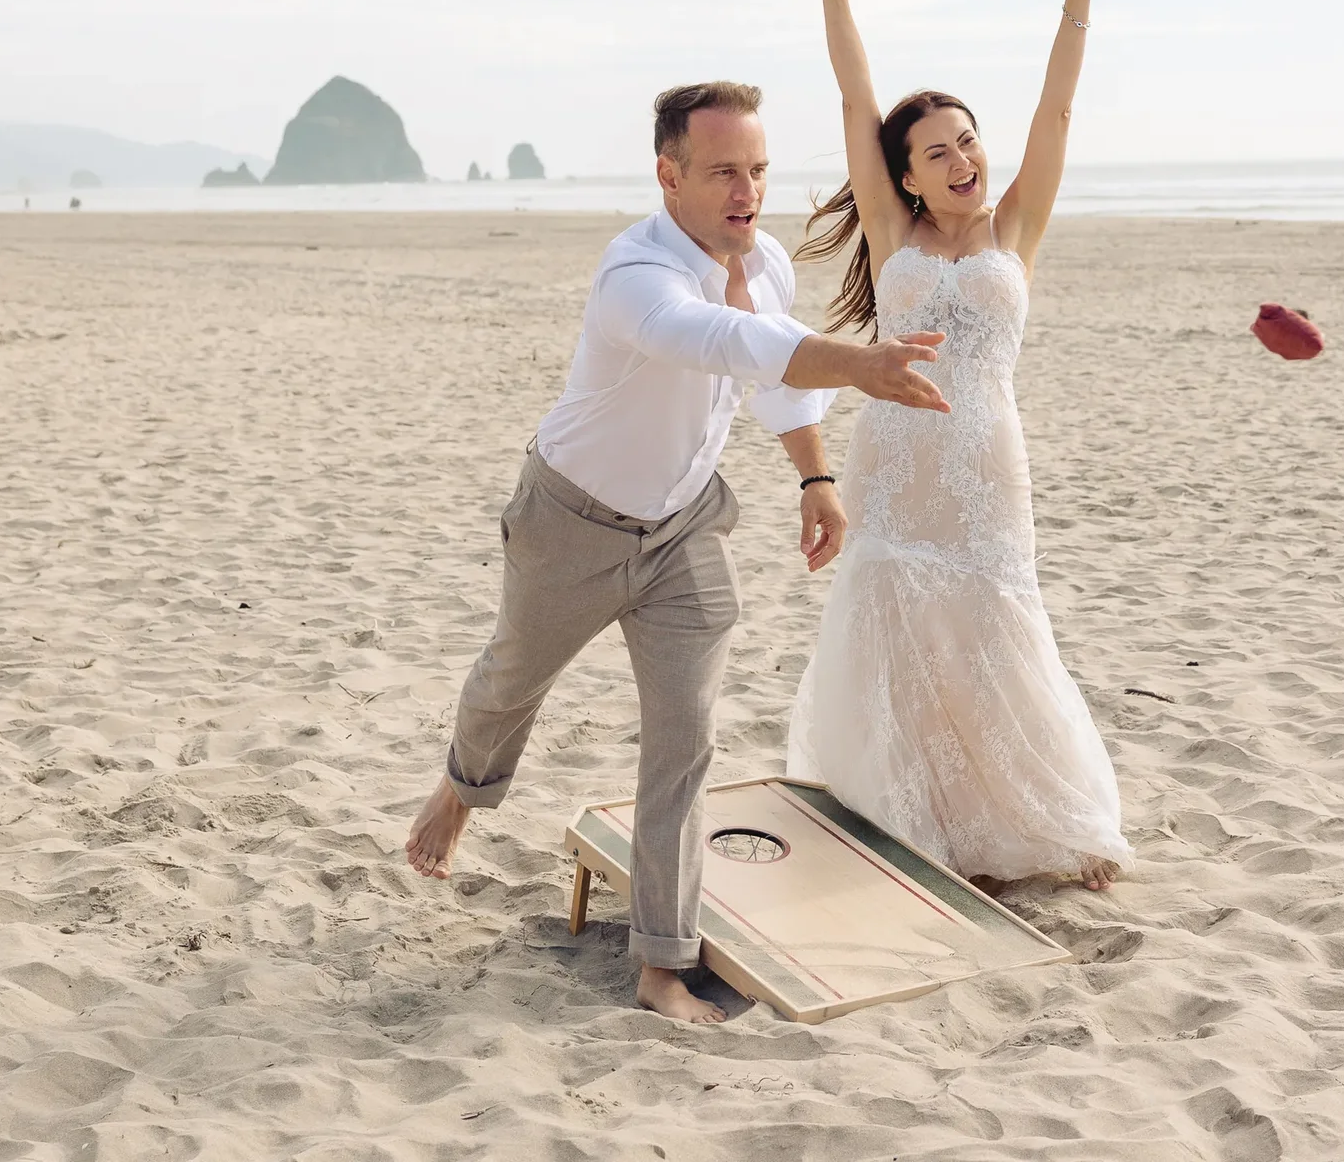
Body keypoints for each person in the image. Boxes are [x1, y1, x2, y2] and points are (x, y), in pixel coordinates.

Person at [403, 80, 950, 1022]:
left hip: (685, 526)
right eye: (726, 172)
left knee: (685, 740)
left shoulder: (766, 260)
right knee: (509, 682)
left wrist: (815, 481)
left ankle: (662, 961)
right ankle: (461, 789)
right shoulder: (634, 275)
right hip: (569, 520)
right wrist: (860, 362)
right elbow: (721, 339)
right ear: (670, 176)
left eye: (761, 170)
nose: (749, 191)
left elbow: (777, 387)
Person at [787, 0, 1133, 893]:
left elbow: (1055, 116)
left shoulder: (1014, 225)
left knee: (992, 627)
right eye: (935, 151)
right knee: (896, 622)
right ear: (902, 175)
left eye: (966, 140)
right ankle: (912, 819)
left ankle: (1032, 821)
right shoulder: (894, 228)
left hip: (983, 466)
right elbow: (857, 96)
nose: (959, 158)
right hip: (891, 465)